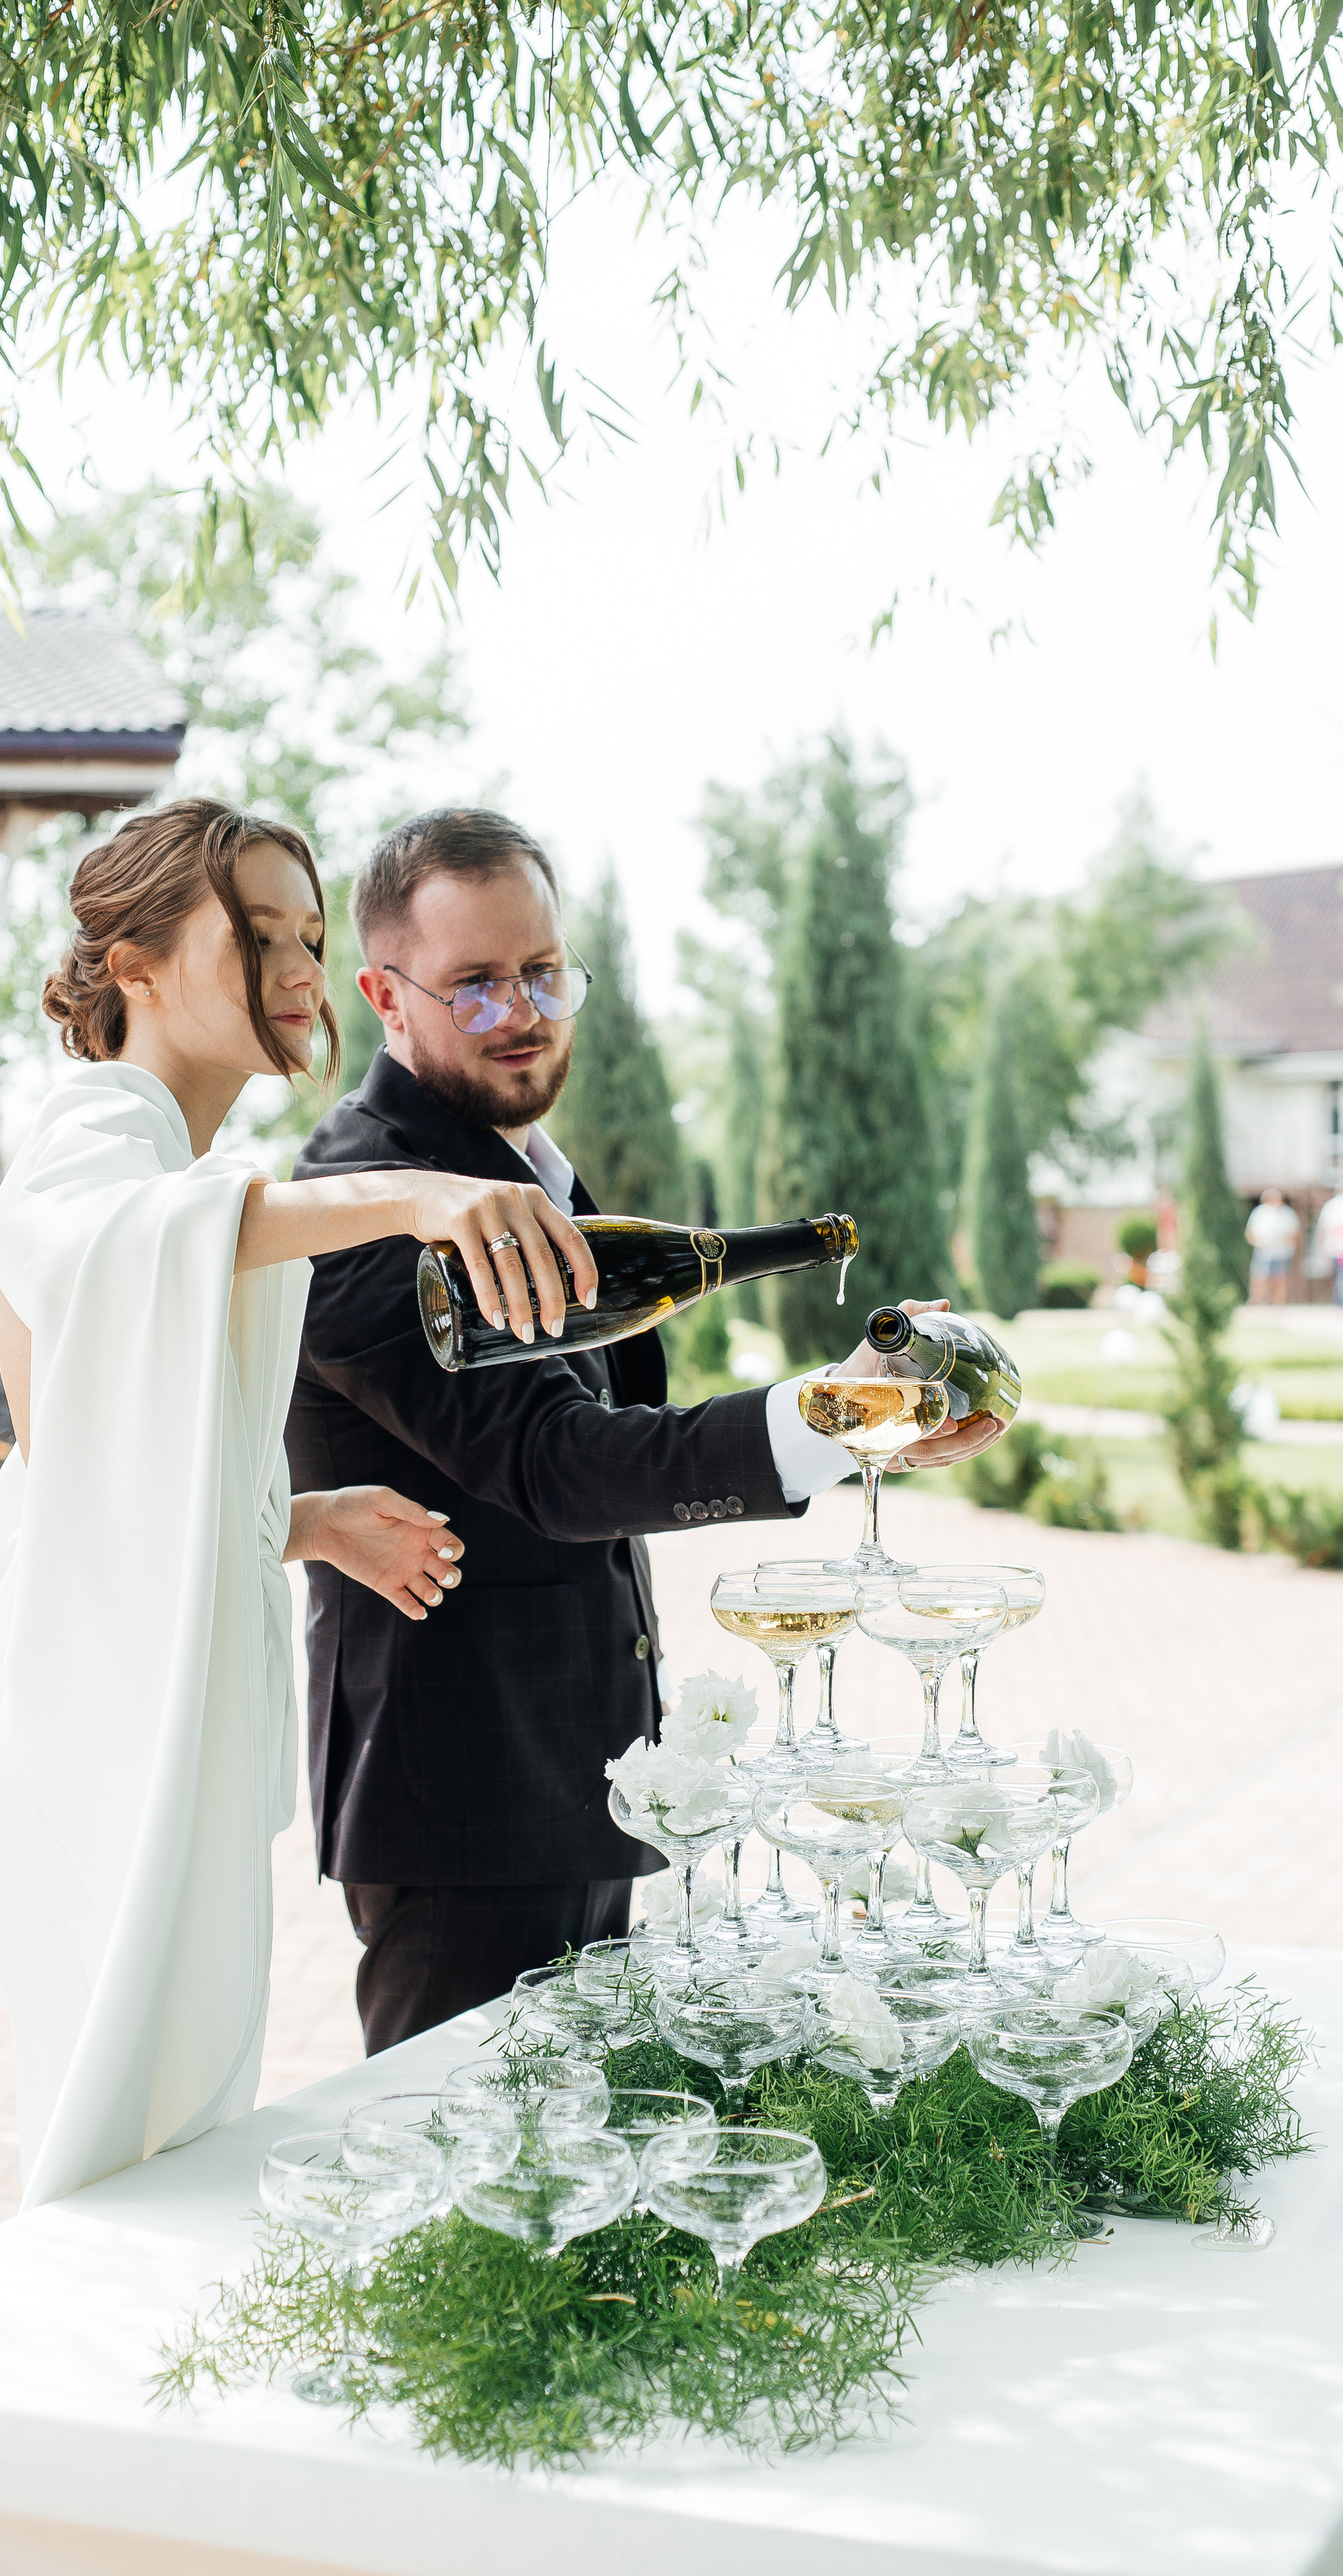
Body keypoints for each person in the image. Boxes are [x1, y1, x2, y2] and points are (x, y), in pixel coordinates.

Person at [285, 808, 1009, 2054]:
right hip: (460, 1800)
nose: (523, 1009)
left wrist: (854, 1401)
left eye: (543, 971)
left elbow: (616, 1425)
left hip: (583, 1775)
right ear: (383, 997)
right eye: (473, 985)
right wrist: (836, 1413)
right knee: (462, 2185)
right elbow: (564, 1466)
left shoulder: (535, 1180)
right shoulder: (362, 1209)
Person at [0, 798, 598, 2209]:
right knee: (114, 2144)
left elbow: (93, 1460)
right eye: (259, 936)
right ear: (131, 961)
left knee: (174, 2125)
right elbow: (95, 1249)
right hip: (103, 1735)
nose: (302, 970)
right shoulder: (91, 1140)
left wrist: (301, 1522)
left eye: (310, 937)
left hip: (159, 1718)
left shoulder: (175, 1174)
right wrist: (412, 1196)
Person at [1244, 1188, 1301, 1307]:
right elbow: (1250, 1232)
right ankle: (1258, 1301)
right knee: (1260, 1277)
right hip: (1264, 1251)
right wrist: (1258, 1242)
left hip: (1281, 1251)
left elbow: (1295, 1233)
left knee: (1280, 1278)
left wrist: (1285, 1241)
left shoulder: (1287, 1213)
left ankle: (1278, 1303)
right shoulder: (1259, 1212)